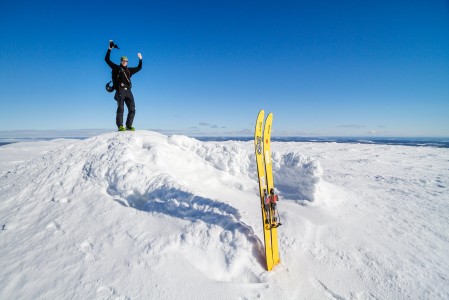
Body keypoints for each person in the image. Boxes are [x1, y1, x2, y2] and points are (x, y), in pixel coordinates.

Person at [105, 42, 142, 131]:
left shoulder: (129, 70)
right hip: (120, 90)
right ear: (121, 61)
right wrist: (109, 49)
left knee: (132, 109)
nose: (125, 62)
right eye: (123, 61)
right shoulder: (117, 68)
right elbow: (107, 59)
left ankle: (129, 125)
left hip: (128, 91)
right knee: (121, 108)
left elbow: (139, 68)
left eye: (126, 61)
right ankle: (120, 126)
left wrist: (140, 59)